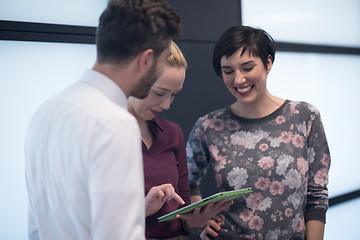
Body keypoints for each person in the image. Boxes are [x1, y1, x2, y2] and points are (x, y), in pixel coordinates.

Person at [24, 1, 180, 239]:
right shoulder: (114, 123)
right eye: (162, 63)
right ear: (146, 60)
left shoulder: (44, 112)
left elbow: (36, 223)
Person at [186, 26, 331, 240]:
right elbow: (186, 181)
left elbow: (317, 194)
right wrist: (201, 220)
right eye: (228, 71)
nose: (238, 80)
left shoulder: (304, 116)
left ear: (268, 63)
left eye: (247, 67)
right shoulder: (208, 126)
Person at [128, 41, 233, 240]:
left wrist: (195, 221)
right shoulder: (102, 134)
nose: (166, 105)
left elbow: (183, 214)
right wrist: (140, 210)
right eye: (159, 93)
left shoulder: (172, 133)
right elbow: (85, 218)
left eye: (173, 95)